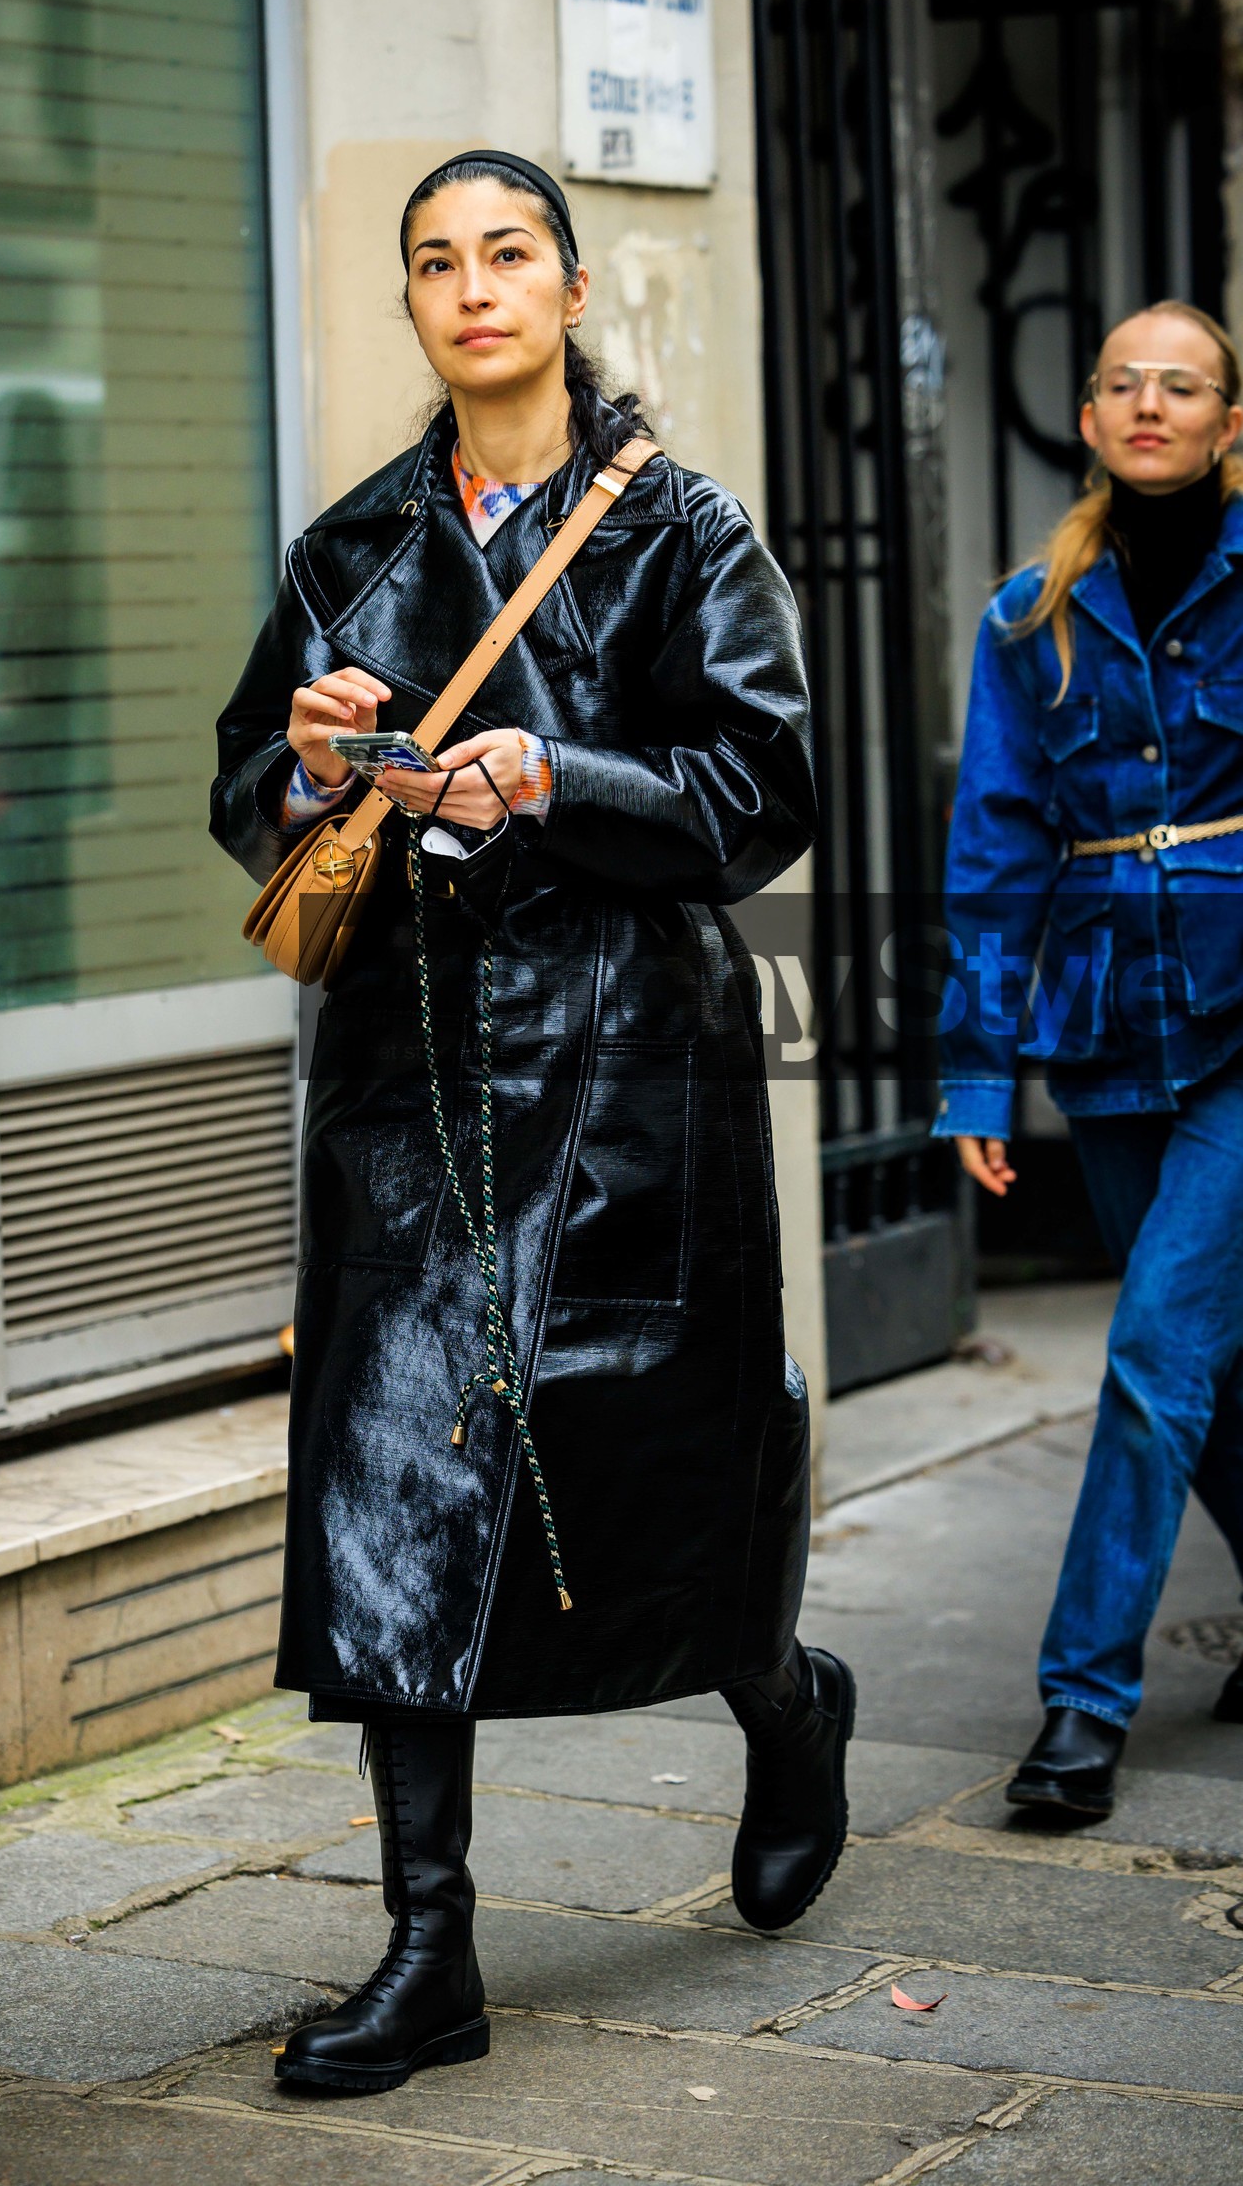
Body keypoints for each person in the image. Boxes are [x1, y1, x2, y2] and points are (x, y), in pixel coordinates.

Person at [211, 151, 850, 2094]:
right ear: (408, 307)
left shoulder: (680, 531)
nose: (469, 287)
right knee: (393, 1481)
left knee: (653, 1460)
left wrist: (551, 773)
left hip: (626, 1073)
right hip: (404, 1087)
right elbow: (250, 797)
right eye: (432, 263)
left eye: (504, 255)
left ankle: (779, 1693)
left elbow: (761, 792)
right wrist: (311, 763)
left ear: (569, 290)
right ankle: (430, 1953)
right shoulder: (352, 545)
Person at [936, 300, 1243, 1821]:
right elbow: (995, 851)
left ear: (1227, 423)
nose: (1149, 403)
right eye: (1124, 380)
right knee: (1200, 1369)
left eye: (1181, 384)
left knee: (1149, 1360)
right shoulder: (1029, 615)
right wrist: (978, 1071)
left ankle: (1082, 1706)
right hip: (1112, 1025)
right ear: (1090, 412)